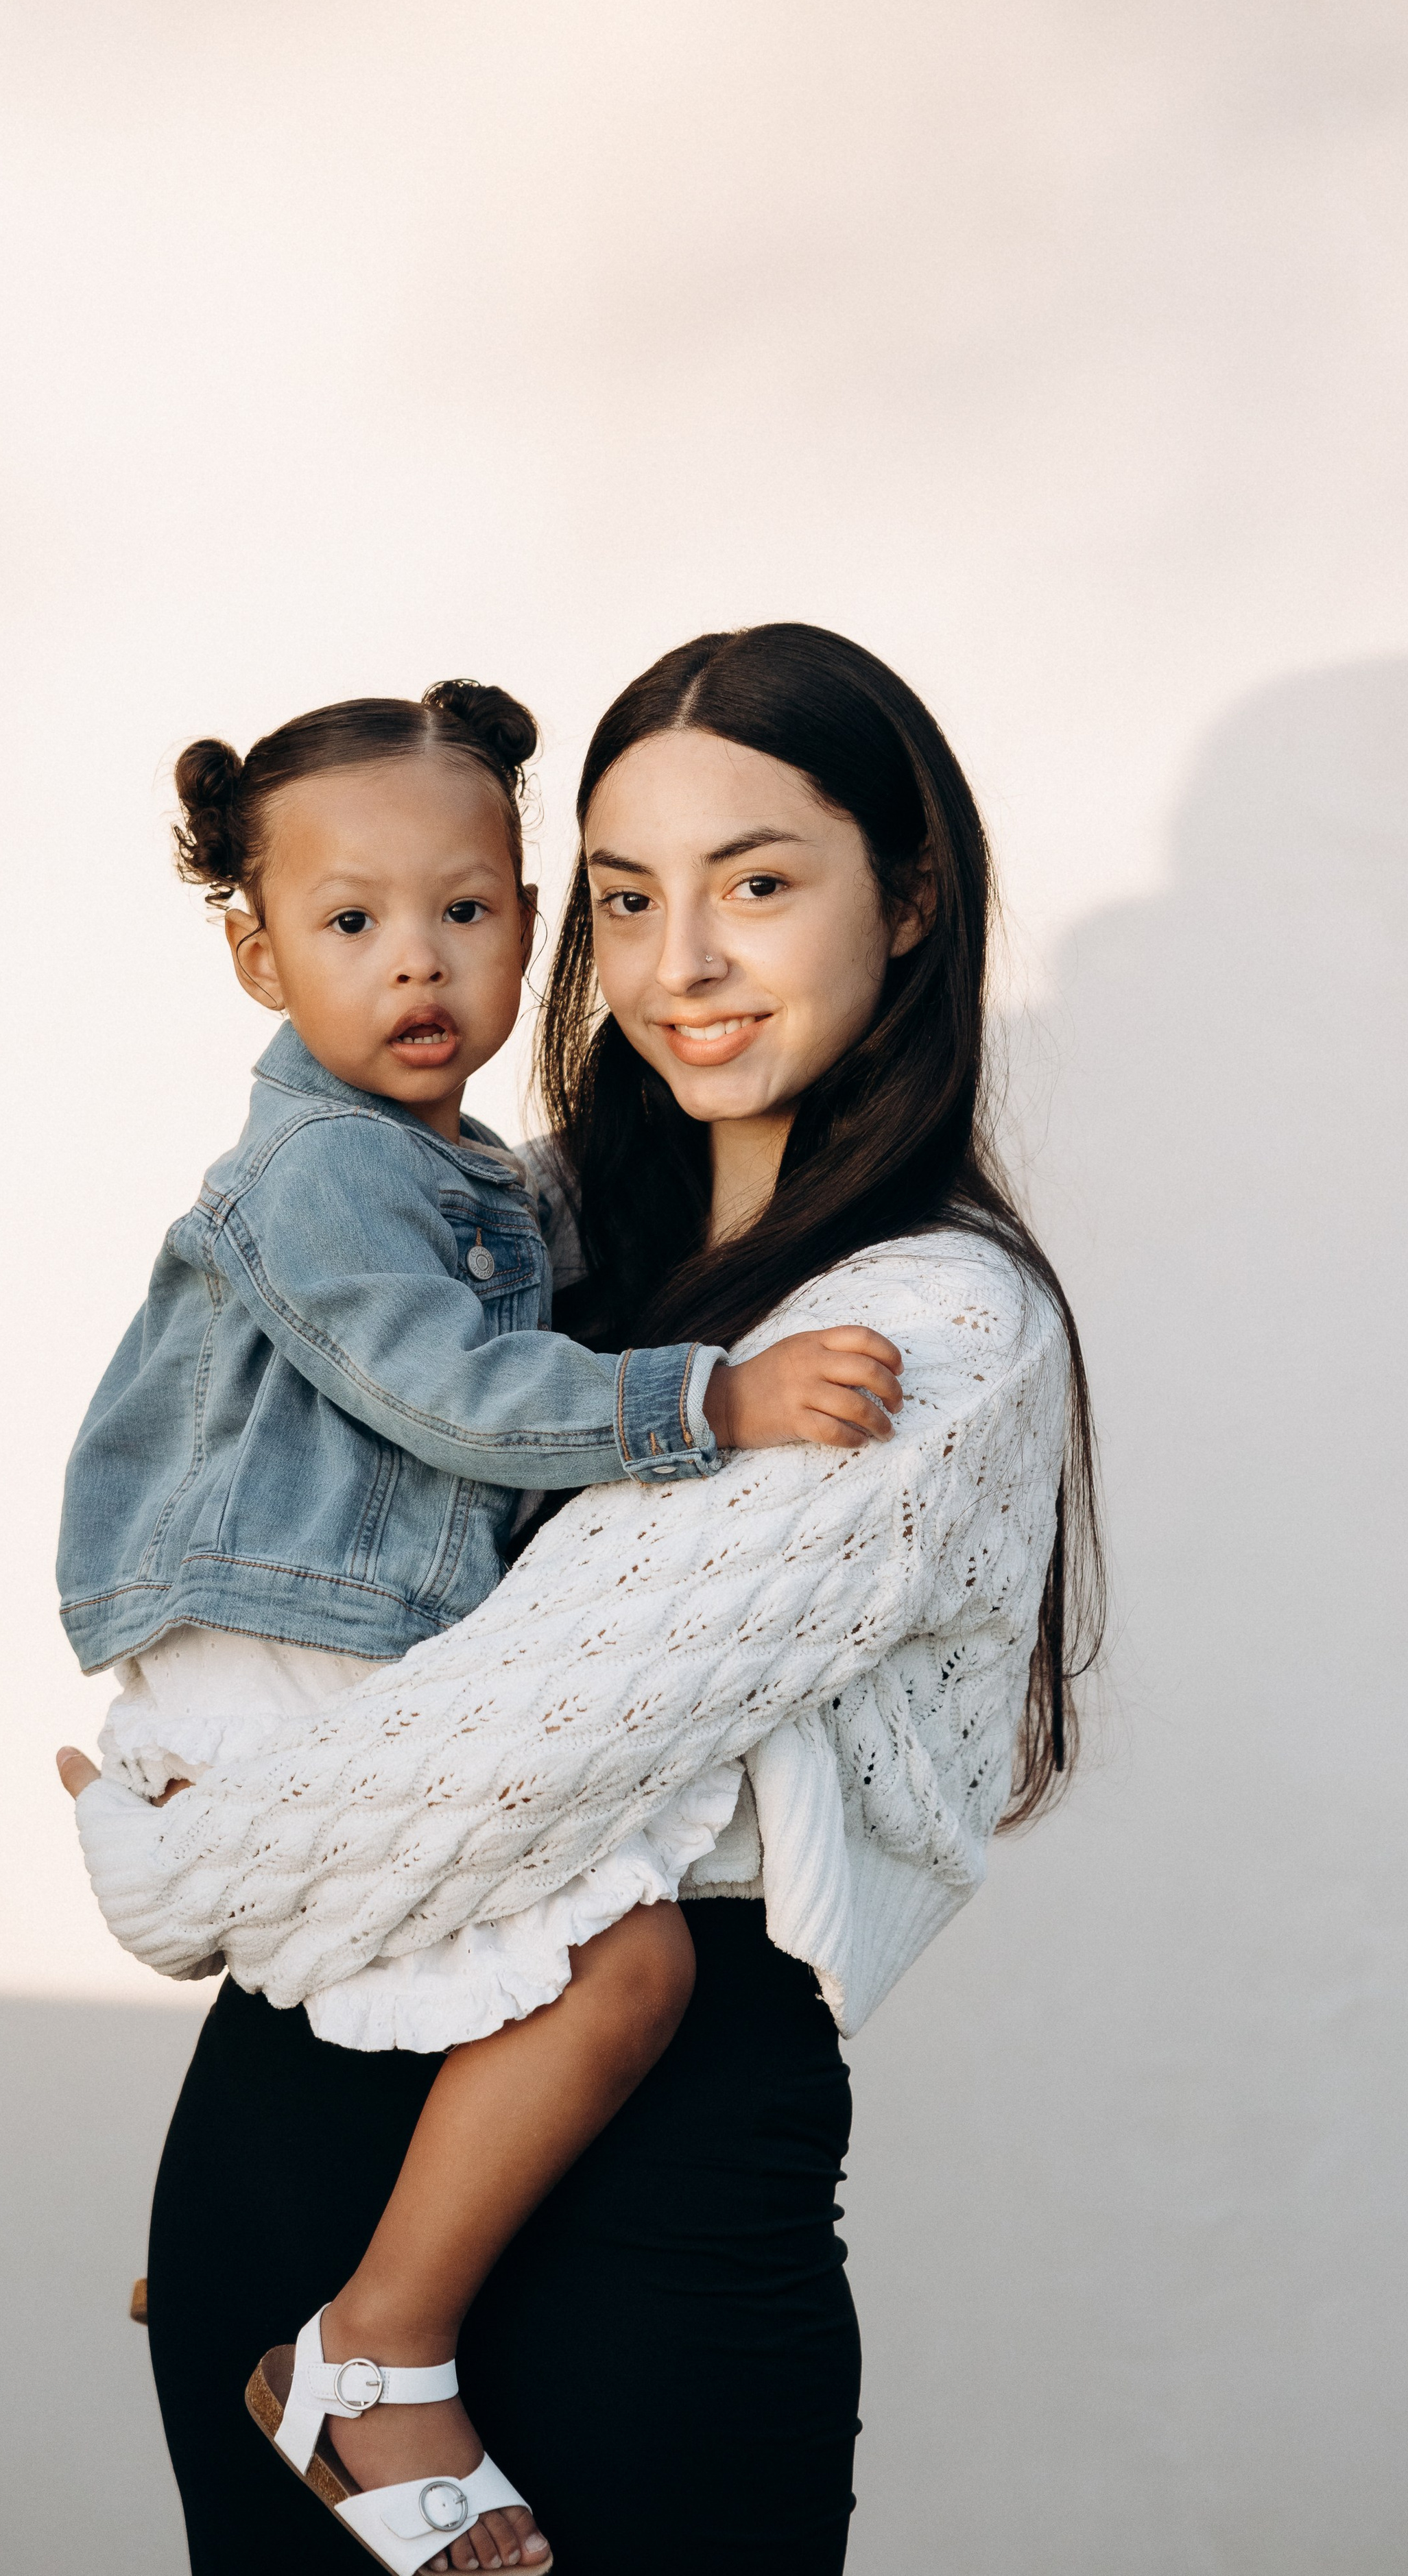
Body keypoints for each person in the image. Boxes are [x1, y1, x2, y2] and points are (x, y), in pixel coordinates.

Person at [65, 622, 1102, 2576]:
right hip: (285, 2188)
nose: (681, 964)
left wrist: (175, 1855)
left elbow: (515, 1739)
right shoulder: (519, 1239)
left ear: (916, 896)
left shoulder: (928, 1327)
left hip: (636, 2236)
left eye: (761, 884)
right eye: (630, 902)